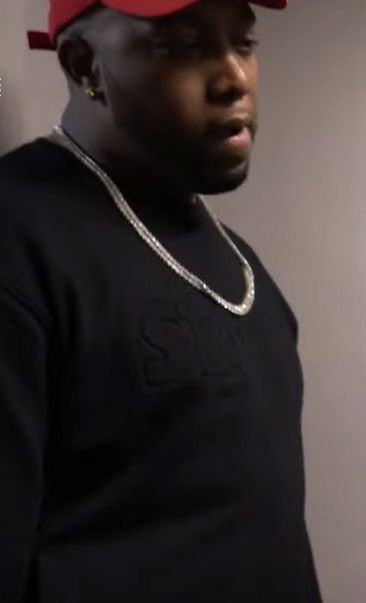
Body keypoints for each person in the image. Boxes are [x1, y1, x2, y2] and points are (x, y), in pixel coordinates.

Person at [0, 1, 325, 602]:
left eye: (244, 43)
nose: (234, 78)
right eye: (186, 45)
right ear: (84, 64)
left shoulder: (245, 268)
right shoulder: (17, 237)